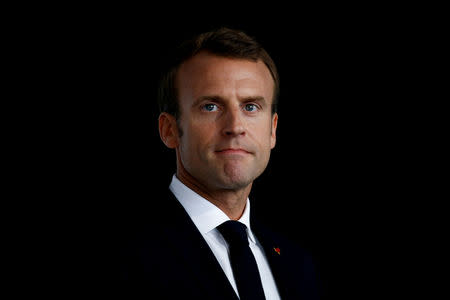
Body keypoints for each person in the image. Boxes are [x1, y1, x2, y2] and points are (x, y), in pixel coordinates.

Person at [119, 27, 321, 299]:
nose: (235, 127)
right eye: (211, 106)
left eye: (250, 107)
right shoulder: (129, 253)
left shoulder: (299, 264)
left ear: (272, 130)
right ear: (169, 130)